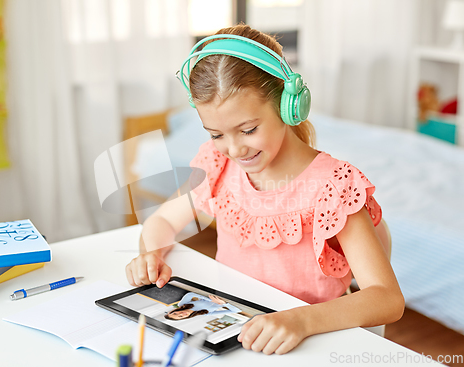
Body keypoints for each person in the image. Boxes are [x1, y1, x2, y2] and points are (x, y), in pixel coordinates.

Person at [126, 24, 404, 355]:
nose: (233, 149)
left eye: (248, 129)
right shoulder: (218, 164)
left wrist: (300, 321)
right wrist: (152, 253)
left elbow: (387, 298)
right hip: (233, 332)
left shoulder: (332, 186)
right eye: (216, 134)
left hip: (306, 342)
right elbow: (162, 222)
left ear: (288, 106)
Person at [164, 293, 241, 321]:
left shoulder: (182, 304)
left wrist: (210, 299)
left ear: (174, 311)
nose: (181, 314)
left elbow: (190, 294)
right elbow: (236, 311)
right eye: (180, 317)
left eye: (175, 314)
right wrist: (224, 303)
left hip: (212, 294)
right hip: (225, 299)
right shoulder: (204, 314)